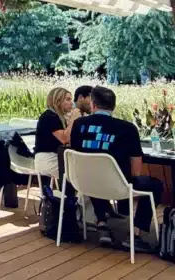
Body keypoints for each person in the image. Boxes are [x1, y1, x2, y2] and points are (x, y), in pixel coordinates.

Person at [70, 86, 163, 247]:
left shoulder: (78, 125)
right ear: (113, 106)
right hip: (119, 186)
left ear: (93, 104)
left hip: (84, 183)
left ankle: (102, 223)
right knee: (155, 185)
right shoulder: (127, 129)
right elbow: (136, 170)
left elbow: (78, 155)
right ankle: (135, 234)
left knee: (94, 174)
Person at [34, 87, 73, 180]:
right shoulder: (50, 117)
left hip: (55, 158)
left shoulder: (59, 117)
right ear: (58, 101)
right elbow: (65, 138)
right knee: (82, 172)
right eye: (68, 99)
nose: (71, 103)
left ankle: (71, 193)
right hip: (48, 160)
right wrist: (73, 119)